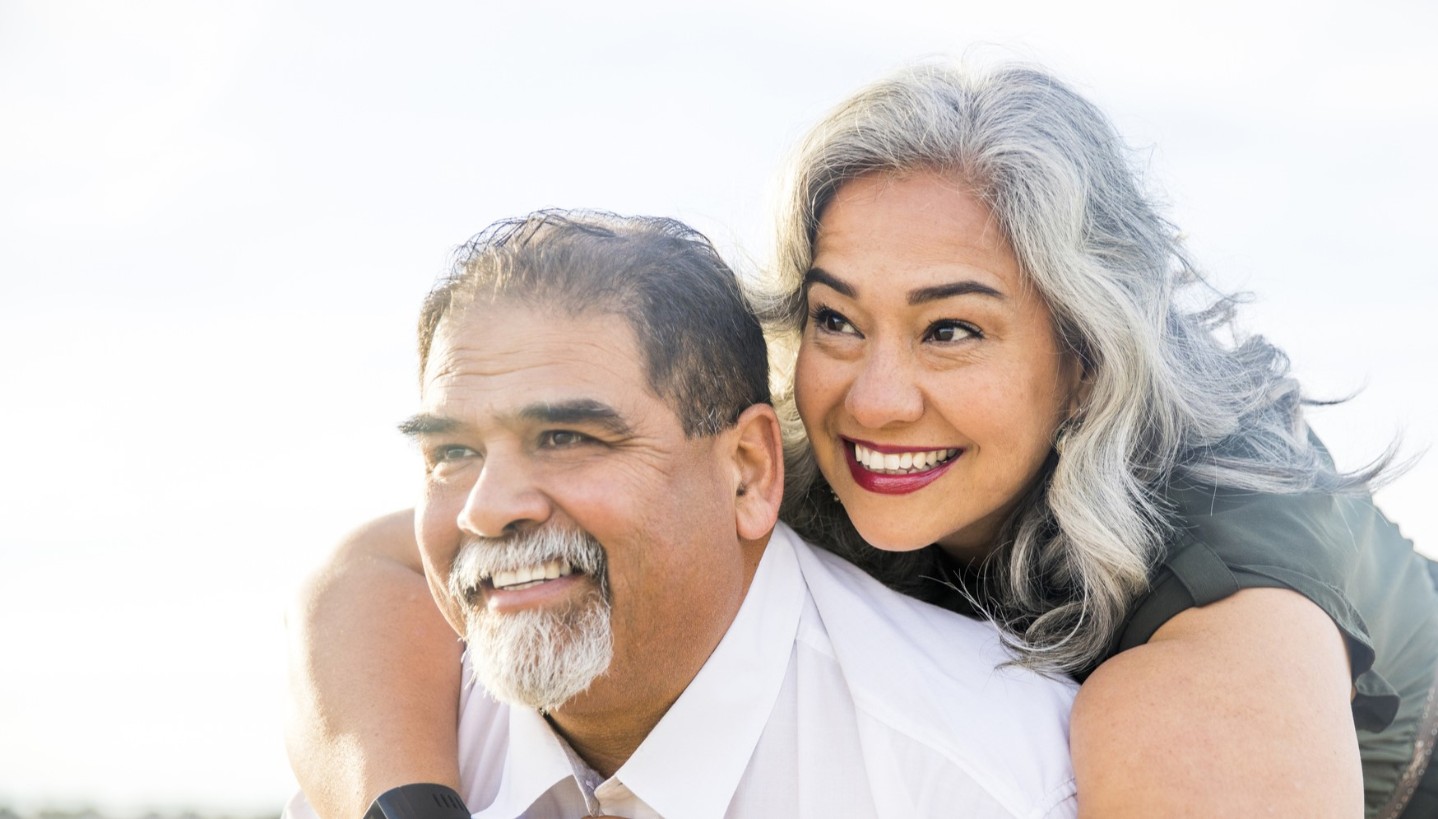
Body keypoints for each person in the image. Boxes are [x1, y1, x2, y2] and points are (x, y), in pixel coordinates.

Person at [285, 64, 1438, 818]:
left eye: (949, 330)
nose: (873, 399)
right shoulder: (779, 450)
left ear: (1081, 357)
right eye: (836, 319)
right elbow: (385, 567)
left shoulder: (1210, 621)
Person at [284, 210, 1079, 818]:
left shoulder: (990, 773)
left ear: (747, 471)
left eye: (565, 436)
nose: (487, 510)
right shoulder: (401, 739)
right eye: (452, 453)